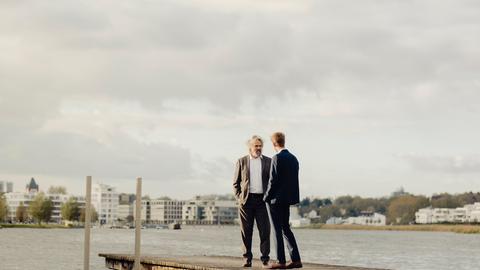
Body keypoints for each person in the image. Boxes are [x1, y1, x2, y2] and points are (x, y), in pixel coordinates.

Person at [263, 132, 302, 269]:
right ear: (283, 141)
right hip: (287, 200)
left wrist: (266, 197)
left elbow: (273, 181)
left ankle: (281, 261)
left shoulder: (276, 158)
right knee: (286, 228)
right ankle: (296, 259)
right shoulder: (294, 158)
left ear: (274, 144)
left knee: (276, 230)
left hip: (274, 200)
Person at [233, 135, 272, 267]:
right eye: (256, 146)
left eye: (260, 146)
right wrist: (240, 198)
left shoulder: (268, 161)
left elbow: (273, 181)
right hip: (246, 201)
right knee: (246, 231)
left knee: (265, 231)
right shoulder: (242, 161)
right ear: (250, 147)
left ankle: (265, 259)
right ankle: (247, 258)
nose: (259, 148)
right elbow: (235, 183)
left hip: (263, 201)